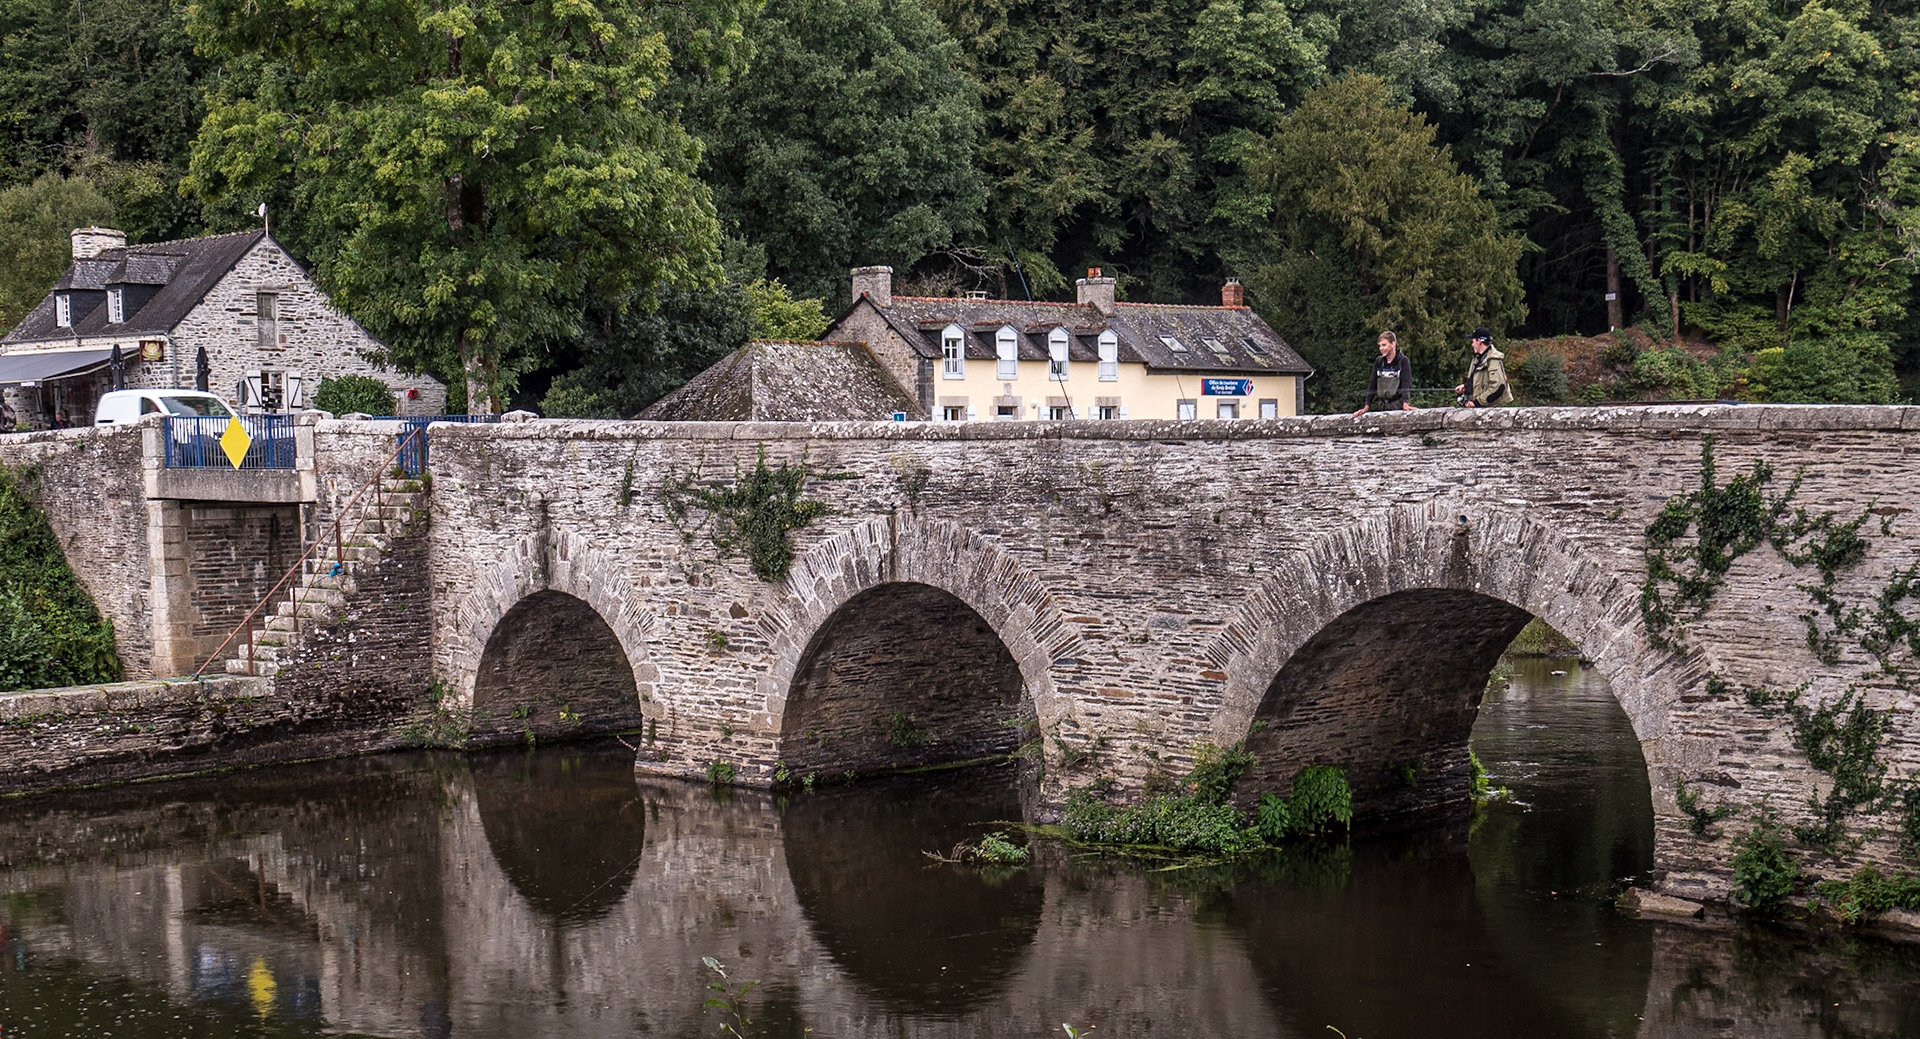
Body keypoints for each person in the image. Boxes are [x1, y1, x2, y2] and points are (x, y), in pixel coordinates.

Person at [1353, 331, 1415, 416]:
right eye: (1380, 346)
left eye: (1384, 345)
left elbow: (1406, 383)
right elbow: (1372, 383)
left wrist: (1405, 402)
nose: (1381, 348)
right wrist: (1367, 406)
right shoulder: (1379, 361)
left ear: (1393, 344)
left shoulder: (1403, 361)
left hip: (1397, 405)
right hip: (1382, 406)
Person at [1454, 326, 1511, 408]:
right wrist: (1466, 387)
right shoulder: (1477, 358)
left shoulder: (1493, 359)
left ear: (1479, 341)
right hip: (1478, 408)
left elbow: (1498, 387)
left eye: (1473, 341)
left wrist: (1476, 403)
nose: (1472, 344)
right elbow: (1479, 381)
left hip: (1490, 411)